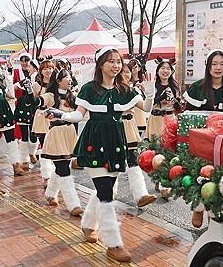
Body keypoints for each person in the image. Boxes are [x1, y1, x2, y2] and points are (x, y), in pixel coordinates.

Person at [48, 46, 154, 262]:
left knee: (103, 190)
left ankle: (88, 224)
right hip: (94, 142)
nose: (116, 65)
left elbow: (146, 107)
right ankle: (113, 243)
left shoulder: (125, 89)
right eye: (111, 61)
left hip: (116, 143)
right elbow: (79, 115)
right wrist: (60, 114)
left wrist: (150, 92)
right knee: (106, 192)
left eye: (118, 61)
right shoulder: (89, 89)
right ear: (100, 65)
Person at [183, 49, 223, 228]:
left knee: (222, 175)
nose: (218, 67)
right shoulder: (197, 88)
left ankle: (215, 216)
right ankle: (198, 208)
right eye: (214, 64)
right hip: (204, 141)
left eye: (222, 64)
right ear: (208, 66)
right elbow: (187, 116)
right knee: (202, 174)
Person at [37, 69, 83, 216]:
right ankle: (73, 203)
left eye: (70, 77)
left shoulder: (73, 96)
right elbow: (39, 102)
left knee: (62, 166)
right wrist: (43, 109)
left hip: (70, 134)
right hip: (56, 134)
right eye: (66, 78)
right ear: (58, 80)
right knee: (64, 169)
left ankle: (50, 193)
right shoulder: (51, 95)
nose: (70, 80)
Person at [118, 62, 157, 207]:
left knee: (132, 160)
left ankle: (141, 195)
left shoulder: (131, 92)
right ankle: (108, 193)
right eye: (123, 72)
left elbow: (147, 108)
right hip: (113, 128)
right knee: (113, 161)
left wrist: (150, 94)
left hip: (129, 126)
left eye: (128, 72)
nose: (126, 75)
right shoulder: (108, 90)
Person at [32, 58, 56, 186]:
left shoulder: (57, 84)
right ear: (41, 71)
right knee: (44, 146)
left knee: (55, 147)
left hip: (55, 117)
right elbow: (34, 101)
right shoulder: (37, 85)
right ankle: (46, 176)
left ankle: (56, 175)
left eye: (51, 68)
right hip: (42, 117)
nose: (48, 71)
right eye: (45, 68)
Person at [144, 57, 181, 140]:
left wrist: (174, 101)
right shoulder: (153, 86)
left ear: (171, 72)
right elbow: (148, 105)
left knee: (169, 145)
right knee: (155, 145)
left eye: (168, 69)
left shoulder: (174, 87)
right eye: (163, 68)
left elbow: (179, 108)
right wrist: (161, 97)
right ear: (157, 71)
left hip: (170, 118)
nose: (165, 71)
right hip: (155, 119)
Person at [129, 59, 147, 136]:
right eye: (131, 67)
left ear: (139, 68)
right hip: (129, 114)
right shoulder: (126, 82)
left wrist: (144, 90)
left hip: (140, 112)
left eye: (135, 66)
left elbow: (148, 98)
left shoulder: (143, 82)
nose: (133, 69)